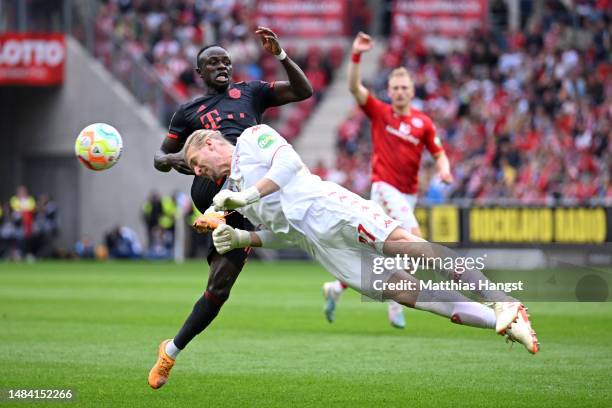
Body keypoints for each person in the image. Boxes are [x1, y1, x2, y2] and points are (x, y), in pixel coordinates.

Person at [183, 125, 539, 382]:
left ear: (212, 143)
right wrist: (243, 236)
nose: (200, 173)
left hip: (329, 209)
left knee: (408, 246)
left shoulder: (251, 139)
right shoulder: (231, 190)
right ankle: (506, 325)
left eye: (199, 164)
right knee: (412, 295)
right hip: (321, 247)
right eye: (196, 171)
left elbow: (289, 166)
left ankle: (501, 300)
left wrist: (246, 198)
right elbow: (283, 234)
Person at [149, 27, 313, 389]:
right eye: (213, 62)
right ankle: (218, 215)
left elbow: (304, 91)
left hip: (253, 187)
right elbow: (161, 157)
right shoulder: (188, 111)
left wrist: (282, 56)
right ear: (200, 72)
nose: (222, 66)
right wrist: (188, 158)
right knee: (233, 185)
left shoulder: (250, 93)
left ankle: (170, 351)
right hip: (212, 185)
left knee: (218, 289)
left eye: (226, 61)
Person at [322, 32, 455, 328]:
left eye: (404, 87)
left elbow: (439, 152)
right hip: (384, 188)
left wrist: (444, 170)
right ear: (390, 90)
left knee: (373, 250)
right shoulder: (380, 112)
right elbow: (355, 87)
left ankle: (336, 286)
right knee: (414, 239)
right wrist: (356, 55)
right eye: (394, 87)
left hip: (407, 195)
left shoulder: (423, 123)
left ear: (412, 90)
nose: (398, 92)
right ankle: (397, 304)